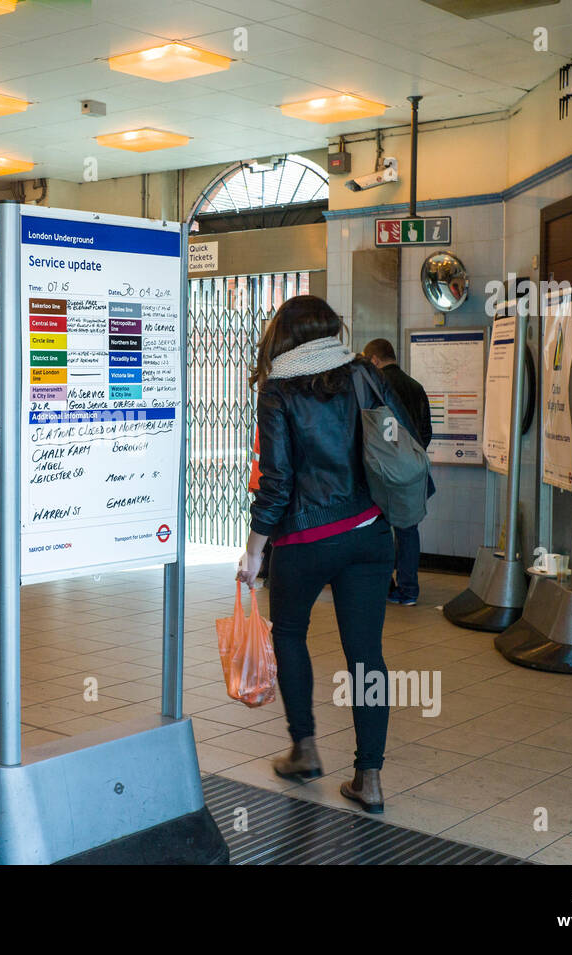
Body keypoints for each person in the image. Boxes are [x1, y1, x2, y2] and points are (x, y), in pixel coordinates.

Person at [236, 296, 421, 815]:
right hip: (367, 535)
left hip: (304, 541)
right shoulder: (363, 373)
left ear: (284, 336)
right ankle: (370, 778)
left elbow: (276, 481)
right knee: (366, 654)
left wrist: (254, 552)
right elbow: (399, 437)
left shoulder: (277, 390)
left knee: (290, 634)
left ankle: (306, 748)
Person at [362, 338, 433, 606]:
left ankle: (383, 586)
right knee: (408, 529)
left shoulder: (376, 388)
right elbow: (426, 431)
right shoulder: (416, 387)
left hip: (379, 471)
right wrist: (411, 456)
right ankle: (408, 590)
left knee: (378, 528)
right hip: (411, 469)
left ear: (374, 360)